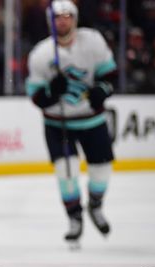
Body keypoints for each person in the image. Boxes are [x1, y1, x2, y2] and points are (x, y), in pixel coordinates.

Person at [27, 0, 117, 244]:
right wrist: (51, 93)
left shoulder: (93, 41)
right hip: (58, 123)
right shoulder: (41, 53)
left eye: (67, 16)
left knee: (102, 170)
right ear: (50, 22)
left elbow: (110, 74)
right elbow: (36, 96)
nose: (62, 21)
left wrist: (103, 89)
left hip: (92, 120)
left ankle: (95, 205)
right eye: (57, 17)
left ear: (75, 18)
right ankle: (74, 216)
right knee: (66, 172)